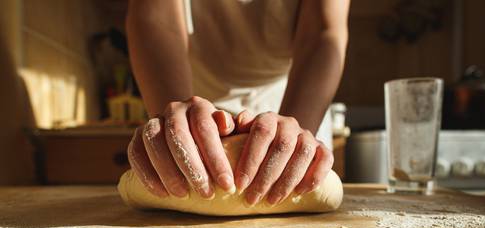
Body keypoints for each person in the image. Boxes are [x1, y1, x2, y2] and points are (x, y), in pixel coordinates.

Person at [125, 0, 349, 206]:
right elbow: (157, 19)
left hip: (293, 99)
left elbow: (322, 32)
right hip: (189, 98)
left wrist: (296, 133)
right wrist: (173, 125)